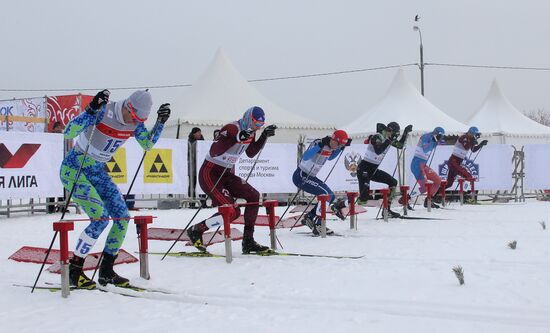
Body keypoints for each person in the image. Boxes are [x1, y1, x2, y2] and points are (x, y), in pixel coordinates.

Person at [60, 89, 170, 289]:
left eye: (140, 120)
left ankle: (106, 271)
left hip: (97, 171)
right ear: (128, 106)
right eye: (134, 117)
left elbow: (147, 144)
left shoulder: (135, 122)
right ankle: (75, 270)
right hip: (75, 168)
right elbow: (69, 132)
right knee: (100, 218)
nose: (134, 122)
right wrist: (91, 110)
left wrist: (160, 123)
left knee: (121, 217)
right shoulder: (104, 111)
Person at [186, 106, 277, 254]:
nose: (257, 128)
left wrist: (264, 136)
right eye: (256, 124)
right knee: (233, 212)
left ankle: (248, 241)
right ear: (248, 118)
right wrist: (236, 138)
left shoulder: (251, 132)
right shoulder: (232, 128)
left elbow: (251, 153)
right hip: (210, 173)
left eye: (261, 125)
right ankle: (197, 230)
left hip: (226, 174)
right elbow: (214, 151)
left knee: (253, 196)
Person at [292, 130, 351, 235]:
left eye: (340, 145)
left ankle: (309, 217)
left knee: (331, 196)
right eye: (338, 144)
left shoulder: (333, 147)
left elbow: (330, 158)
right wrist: (319, 145)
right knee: (325, 194)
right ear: (334, 140)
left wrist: (340, 149)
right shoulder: (319, 142)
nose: (337, 147)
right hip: (301, 175)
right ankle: (319, 224)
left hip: (311, 176)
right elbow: (305, 157)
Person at [356, 122, 412, 218]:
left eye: (396, 135)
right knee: (364, 199)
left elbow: (400, 145)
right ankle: (340, 205)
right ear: (389, 130)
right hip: (364, 169)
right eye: (394, 134)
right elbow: (378, 151)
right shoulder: (377, 137)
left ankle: (387, 209)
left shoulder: (388, 139)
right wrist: (389, 140)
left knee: (393, 182)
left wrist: (405, 133)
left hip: (373, 170)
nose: (394, 136)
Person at [410, 127, 445, 209]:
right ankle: (406, 197)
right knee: (425, 187)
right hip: (417, 164)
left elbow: (442, 143)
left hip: (423, 164)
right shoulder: (426, 136)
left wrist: (437, 141)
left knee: (438, 181)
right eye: (440, 135)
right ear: (436, 133)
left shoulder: (434, 138)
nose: (441, 137)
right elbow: (425, 149)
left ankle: (429, 200)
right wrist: (434, 141)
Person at [444, 126, 487, 192]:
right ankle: (468, 194)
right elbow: (466, 147)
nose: (474, 136)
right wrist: (474, 140)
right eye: (474, 134)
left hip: (457, 161)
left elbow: (473, 150)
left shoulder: (471, 138)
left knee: (449, 184)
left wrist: (480, 144)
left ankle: (435, 194)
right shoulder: (464, 137)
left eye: (475, 135)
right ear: (470, 133)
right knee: (468, 176)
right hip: (453, 161)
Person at [187, 127, 205, 208]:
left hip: (201, 167)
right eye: (198, 132)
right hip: (193, 167)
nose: (199, 134)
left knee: (203, 184)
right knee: (192, 184)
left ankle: (203, 202)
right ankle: (192, 202)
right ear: (194, 133)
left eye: (200, 132)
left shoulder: (203, 142)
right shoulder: (189, 142)